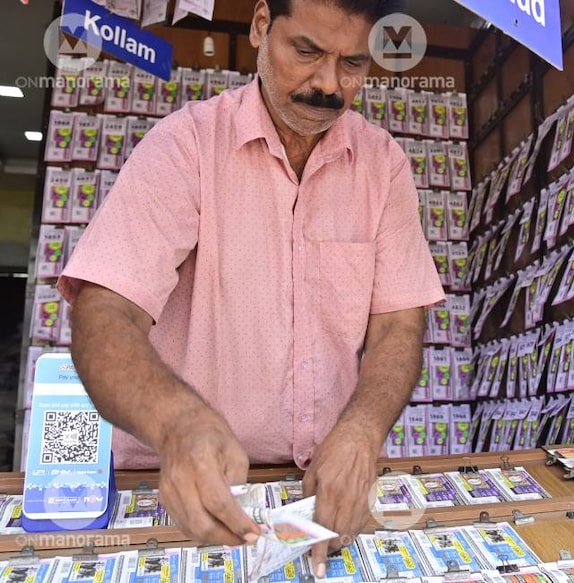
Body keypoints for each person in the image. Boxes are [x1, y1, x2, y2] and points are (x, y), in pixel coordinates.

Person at [57, 0, 443, 577]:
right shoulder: (185, 145)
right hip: (184, 486)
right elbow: (105, 310)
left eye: (354, 64)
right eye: (307, 51)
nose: (328, 85)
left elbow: (398, 324)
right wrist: (177, 423)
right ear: (262, 25)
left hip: (319, 491)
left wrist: (362, 432)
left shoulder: (382, 164)